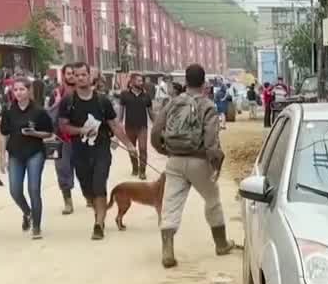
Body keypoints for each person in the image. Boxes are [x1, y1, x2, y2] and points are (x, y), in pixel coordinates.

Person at [151, 63, 235, 267]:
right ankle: (221, 244)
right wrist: (215, 163)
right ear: (204, 82)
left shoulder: (172, 103)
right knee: (212, 200)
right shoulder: (207, 105)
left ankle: (168, 251)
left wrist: (164, 150)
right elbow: (211, 141)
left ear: (185, 81)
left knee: (171, 204)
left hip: (174, 160)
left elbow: (156, 131)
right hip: (199, 161)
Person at [57, 62, 137, 240]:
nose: (80, 78)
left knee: (99, 184)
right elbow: (63, 127)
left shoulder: (102, 101)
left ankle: (99, 223)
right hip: (79, 150)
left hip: (101, 148)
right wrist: (80, 131)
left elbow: (115, 125)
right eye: (76, 75)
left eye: (83, 74)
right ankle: (97, 211)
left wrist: (130, 145)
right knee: (87, 189)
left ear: (89, 76)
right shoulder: (68, 102)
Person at [0, 77, 55, 239]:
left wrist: (35, 133)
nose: (18, 93)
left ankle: (36, 226)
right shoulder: (9, 111)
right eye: (15, 90)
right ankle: (27, 212)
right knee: (15, 190)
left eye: (21, 89)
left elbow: (49, 133)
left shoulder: (38, 111)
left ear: (28, 91)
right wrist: (2, 157)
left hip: (34, 152)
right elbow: (4, 135)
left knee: (34, 189)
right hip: (15, 154)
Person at [51, 63, 78, 215]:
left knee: (84, 167)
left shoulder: (84, 92)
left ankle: (89, 195)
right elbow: (47, 114)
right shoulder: (56, 92)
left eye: (74, 73)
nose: (72, 76)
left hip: (80, 136)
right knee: (62, 168)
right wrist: (57, 102)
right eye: (69, 73)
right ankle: (67, 201)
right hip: (58, 137)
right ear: (64, 75)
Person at [118, 74, 153, 180]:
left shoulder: (146, 96)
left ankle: (142, 171)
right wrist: (119, 124)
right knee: (132, 149)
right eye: (139, 81)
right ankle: (135, 167)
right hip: (129, 127)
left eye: (142, 81)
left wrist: (157, 124)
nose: (141, 83)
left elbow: (151, 113)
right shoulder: (124, 95)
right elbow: (121, 113)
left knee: (143, 149)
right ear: (132, 82)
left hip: (142, 127)